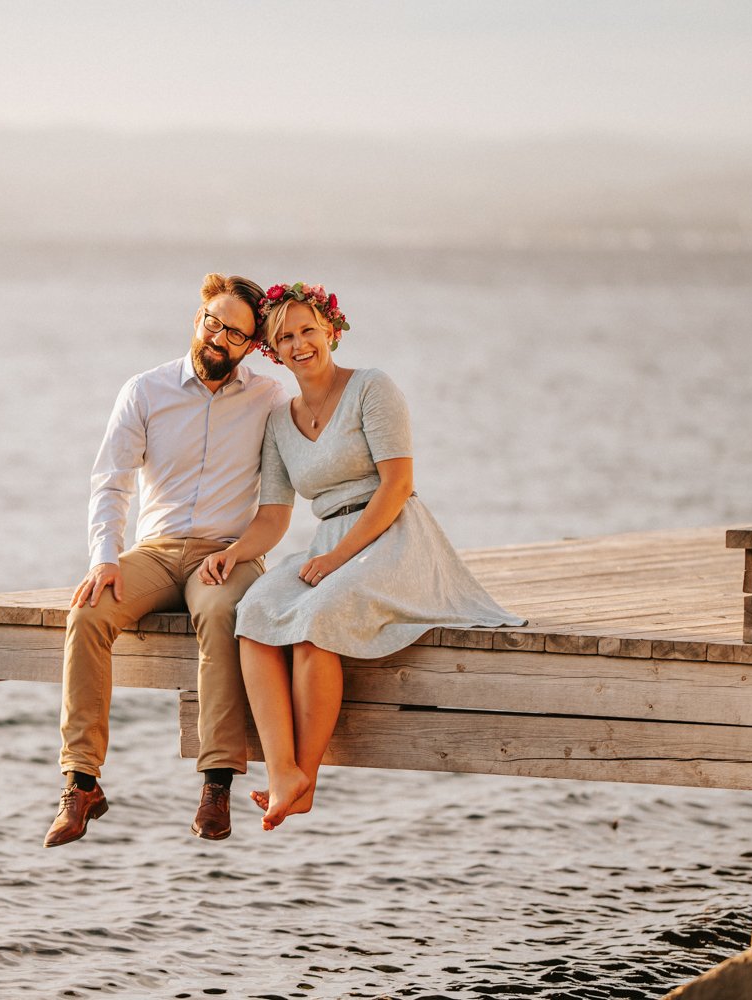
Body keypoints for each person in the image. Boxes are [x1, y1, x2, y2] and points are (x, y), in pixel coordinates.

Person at [197, 281, 524, 832]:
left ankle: (310, 774)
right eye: (286, 337)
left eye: (308, 330)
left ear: (331, 330)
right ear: (272, 352)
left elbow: (397, 486)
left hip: (393, 535)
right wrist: (234, 553)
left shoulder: (373, 388)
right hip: (328, 540)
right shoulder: (279, 419)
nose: (300, 344)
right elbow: (275, 516)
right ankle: (283, 775)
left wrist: (333, 562)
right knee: (252, 613)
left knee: (316, 620)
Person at [43, 273, 287, 848]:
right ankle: (81, 782)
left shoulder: (271, 400)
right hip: (154, 552)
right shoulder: (145, 390)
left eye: (233, 332)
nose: (217, 338)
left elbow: (280, 498)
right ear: (197, 318)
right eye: (211, 322)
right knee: (87, 613)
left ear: (252, 346)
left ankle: (216, 783)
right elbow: (110, 484)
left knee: (224, 617)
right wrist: (104, 558)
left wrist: (238, 553)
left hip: (227, 555)